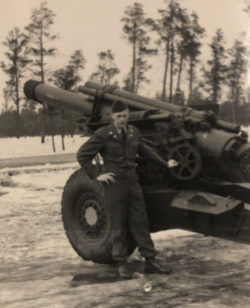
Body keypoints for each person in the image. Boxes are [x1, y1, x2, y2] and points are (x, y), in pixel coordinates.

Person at [76, 100, 177, 279]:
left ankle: (150, 260)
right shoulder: (104, 134)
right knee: (118, 223)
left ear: (128, 116)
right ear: (112, 117)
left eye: (125, 116)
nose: (122, 119)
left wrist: (165, 163)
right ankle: (121, 263)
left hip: (132, 182)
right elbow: (82, 155)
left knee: (141, 221)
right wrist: (97, 175)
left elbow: (146, 152)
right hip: (115, 184)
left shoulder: (133, 132)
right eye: (119, 116)